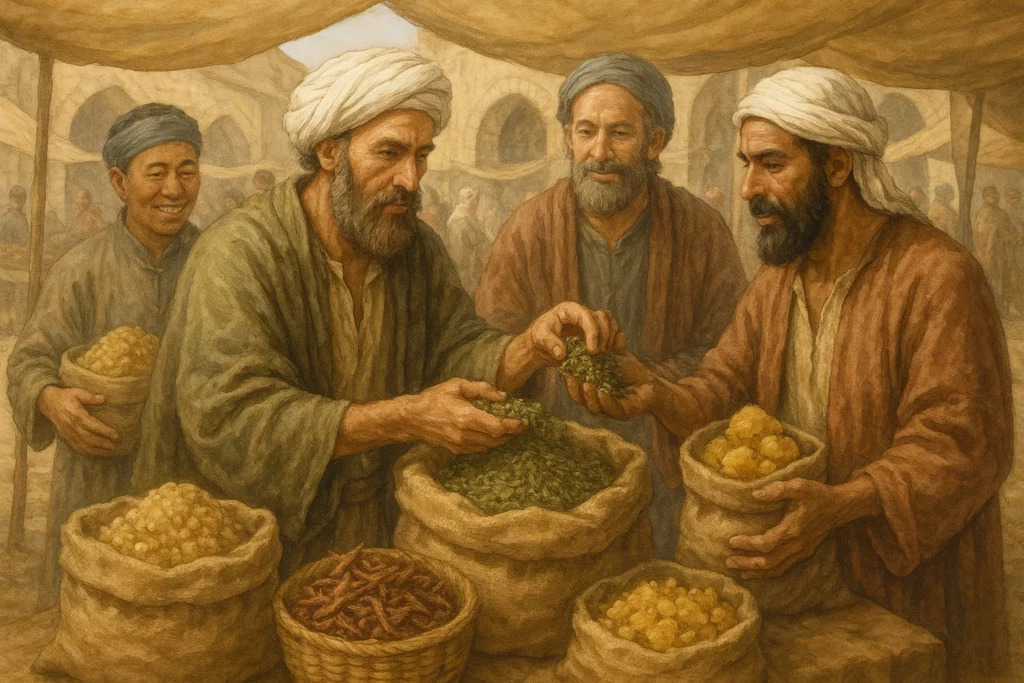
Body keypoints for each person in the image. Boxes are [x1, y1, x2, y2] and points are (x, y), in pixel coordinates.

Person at [574, 67, 1011, 682]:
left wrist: (842, 503)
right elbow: (722, 388)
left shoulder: (936, 275)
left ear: (838, 166)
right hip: (801, 579)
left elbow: (962, 441)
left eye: (772, 164)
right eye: (746, 163)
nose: (749, 187)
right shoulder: (778, 280)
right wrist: (656, 394)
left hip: (904, 585)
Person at [131, 48, 623, 576]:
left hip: (382, 533)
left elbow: (455, 351)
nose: (411, 179)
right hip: (244, 552)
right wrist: (406, 417)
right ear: (329, 152)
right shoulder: (241, 253)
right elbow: (234, 421)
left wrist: (531, 346)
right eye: (388, 153)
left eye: (421, 156)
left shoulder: (412, 244)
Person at [475, 54, 747, 558]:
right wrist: (534, 346)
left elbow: (732, 356)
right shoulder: (528, 228)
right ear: (567, 138)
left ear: (655, 141)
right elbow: (483, 356)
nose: (599, 152)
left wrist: (652, 384)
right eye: (586, 132)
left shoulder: (701, 230)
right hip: (554, 475)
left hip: (666, 475)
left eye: (620, 133)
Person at [7, 103, 203, 608]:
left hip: (189, 476)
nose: (175, 190)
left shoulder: (219, 262)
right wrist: (52, 401)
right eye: (156, 173)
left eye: (187, 171)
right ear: (119, 182)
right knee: (95, 611)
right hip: (97, 471)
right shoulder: (81, 268)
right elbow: (29, 361)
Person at [972, 185, 1016, 315]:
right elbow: (1005, 236)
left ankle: (996, 310)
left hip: (992, 255)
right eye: (992, 194)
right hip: (993, 255)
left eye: (996, 194)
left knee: (997, 281)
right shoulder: (992, 214)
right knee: (995, 281)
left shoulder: (990, 212)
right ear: (985, 197)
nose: (996, 196)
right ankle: (994, 311)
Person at [444, 186, 490, 292]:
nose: (476, 206)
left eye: (476, 203)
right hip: (464, 270)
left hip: (475, 266)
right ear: (467, 203)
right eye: (473, 203)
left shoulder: (471, 218)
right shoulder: (459, 222)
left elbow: (481, 239)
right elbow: (458, 254)